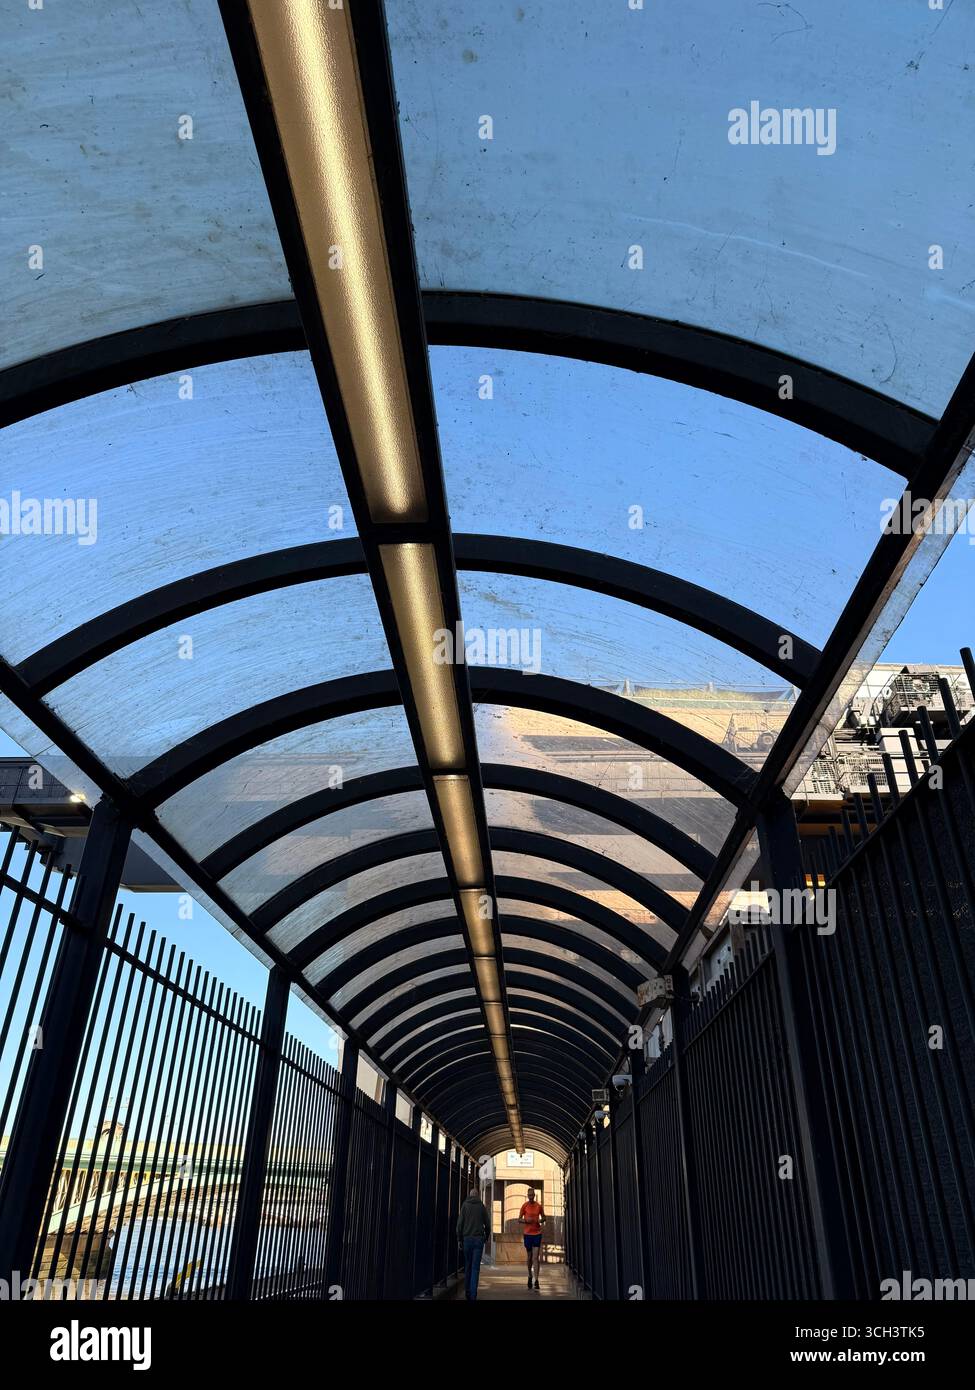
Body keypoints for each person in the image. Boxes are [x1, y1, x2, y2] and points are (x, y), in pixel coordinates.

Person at [456, 1185, 490, 1301]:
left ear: (470, 1195)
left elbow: (459, 1225)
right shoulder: (481, 1207)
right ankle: (473, 1295)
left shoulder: (465, 1206)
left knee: (468, 1266)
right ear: (478, 1195)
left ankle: (467, 1292)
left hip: (467, 1240)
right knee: (475, 1268)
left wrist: (459, 1239)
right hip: (478, 1240)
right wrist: (486, 1236)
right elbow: (488, 1224)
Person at [519, 1186, 546, 1288]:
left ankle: (537, 1280)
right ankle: (530, 1275)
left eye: (532, 1195)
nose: (530, 1197)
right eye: (529, 1195)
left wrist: (541, 1220)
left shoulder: (539, 1206)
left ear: (534, 1195)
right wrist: (526, 1221)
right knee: (529, 1257)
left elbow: (544, 1217)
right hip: (527, 1234)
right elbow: (519, 1219)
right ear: (527, 1195)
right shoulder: (524, 1206)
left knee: (535, 1257)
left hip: (537, 1234)